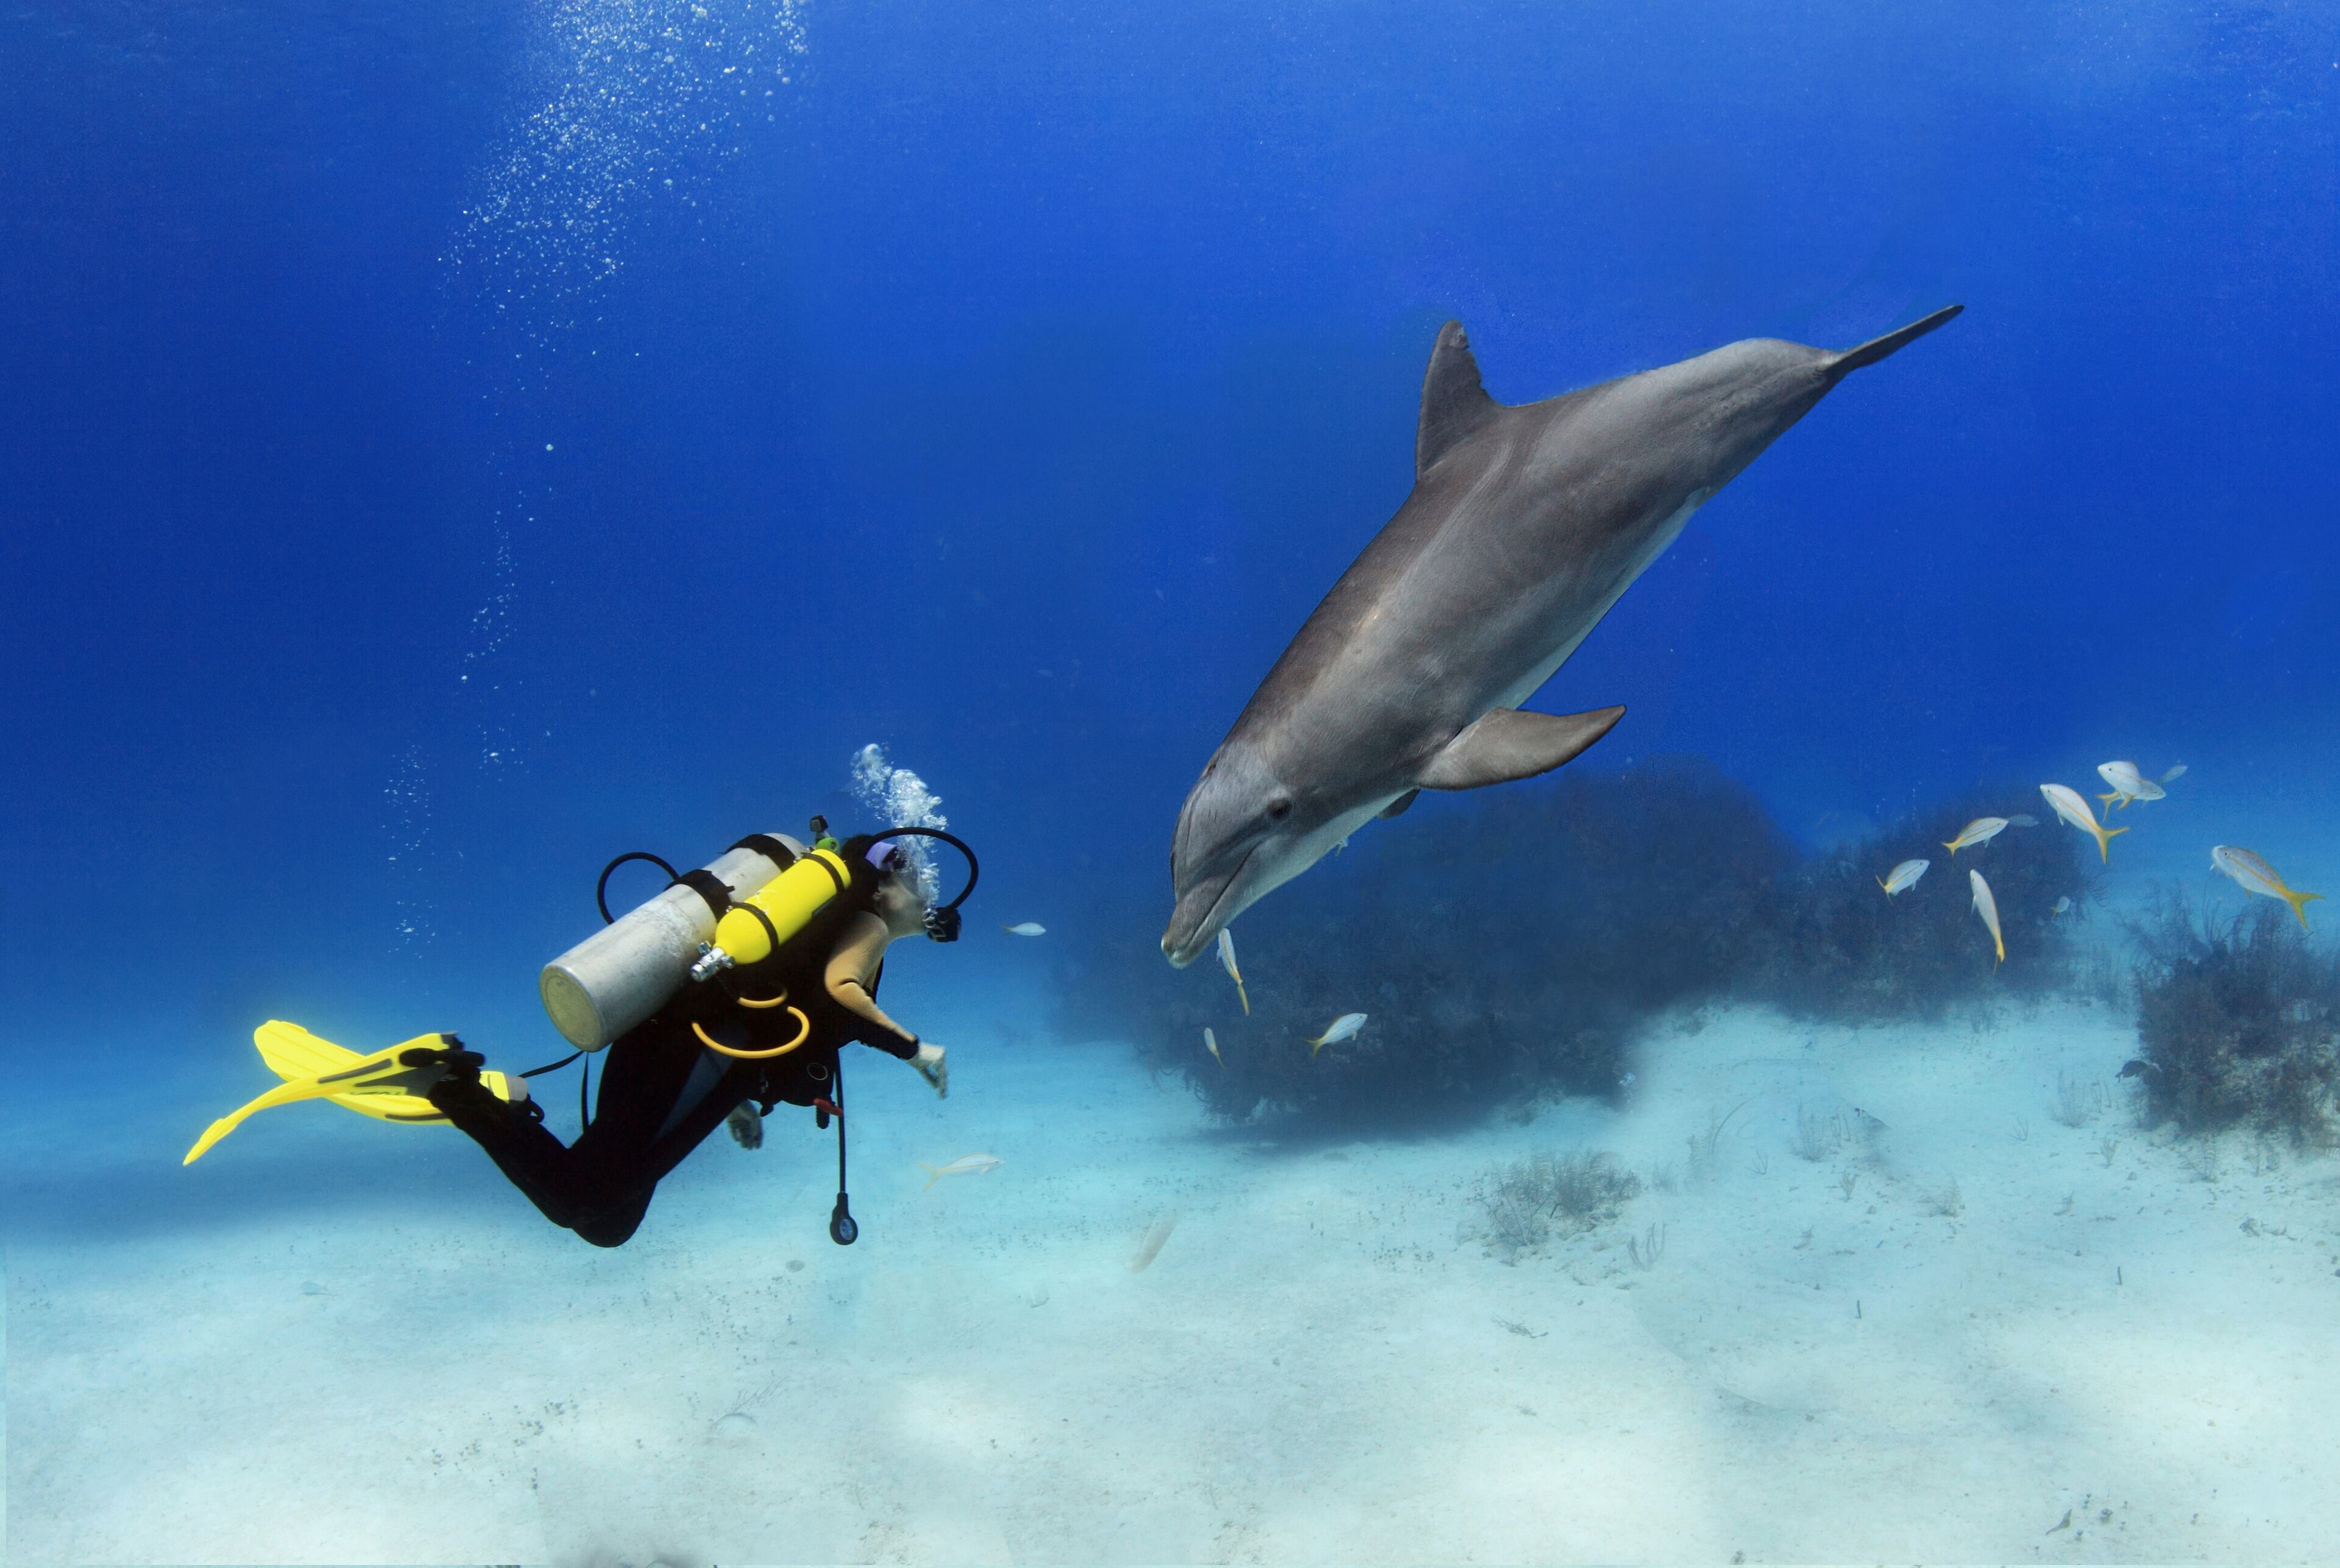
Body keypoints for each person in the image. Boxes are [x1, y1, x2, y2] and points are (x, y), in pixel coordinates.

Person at [416, 842, 951, 1248]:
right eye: (917, 879)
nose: (929, 890)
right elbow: (839, 993)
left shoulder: (837, 924)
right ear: (881, 886)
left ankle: (503, 1107)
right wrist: (916, 1051)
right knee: (585, 1198)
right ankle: (454, 1087)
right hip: (698, 1049)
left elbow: (770, 996)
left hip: (673, 1038)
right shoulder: (869, 925)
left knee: (610, 1223)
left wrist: (736, 1099)